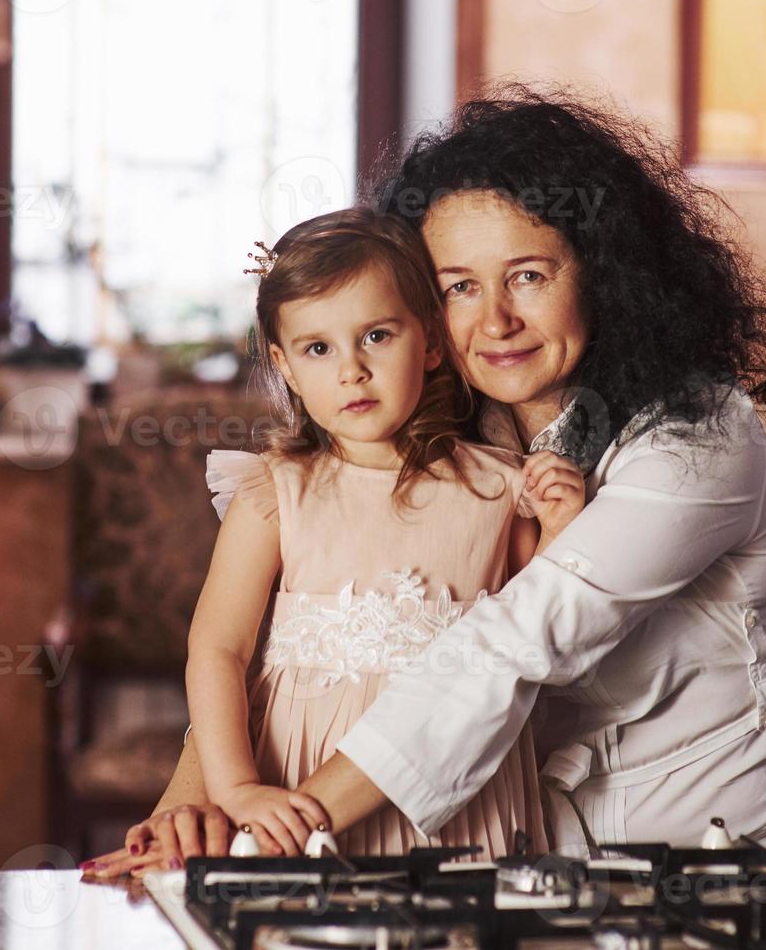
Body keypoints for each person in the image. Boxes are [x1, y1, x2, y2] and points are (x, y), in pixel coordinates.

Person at [82, 87, 766, 880]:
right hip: (508, 856)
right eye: (459, 286)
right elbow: (280, 637)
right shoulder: (445, 435)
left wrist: (290, 826)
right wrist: (192, 804)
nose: (494, 320)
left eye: (528, 276)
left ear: (605, 274)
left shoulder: (697, 439)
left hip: (700, 852)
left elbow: (510, 643)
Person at [104, 208, 587, 867]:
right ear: (286, 367)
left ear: (432, 342)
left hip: (455, 793)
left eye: (378, 336)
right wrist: (237, 790)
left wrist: (560, 525)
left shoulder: (500, 489)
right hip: (296, 782)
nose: (352, 370)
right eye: (318, 349)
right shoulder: (277, 494)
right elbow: (217, 647)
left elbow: (543, 628)